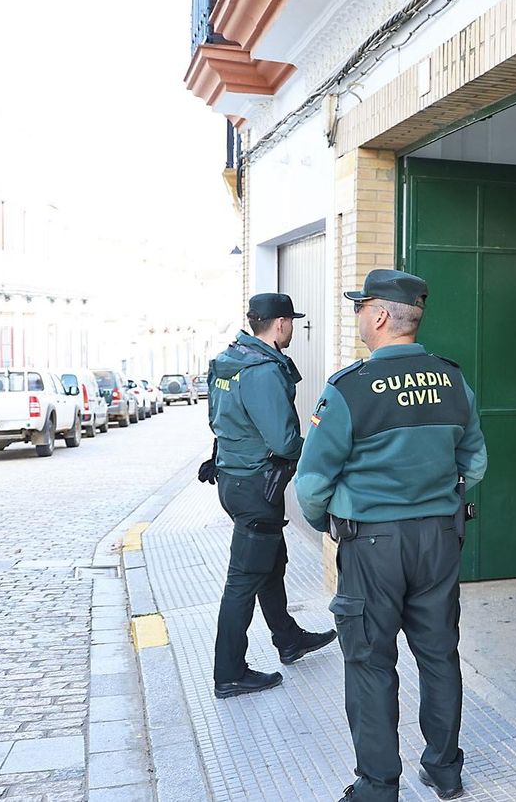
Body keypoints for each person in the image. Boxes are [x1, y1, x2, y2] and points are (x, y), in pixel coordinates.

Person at [295, 269, 487, 802]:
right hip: (439, 540)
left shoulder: (349, 389)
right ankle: (444, 771)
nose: (357, 315)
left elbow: (311, 483)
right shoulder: (452, 380)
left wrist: (330, 526)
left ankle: (378, 786)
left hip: (372, 546)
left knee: (370, 662)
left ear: (380, 316)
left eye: (360, 307)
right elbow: (474, 461)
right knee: (439, 655)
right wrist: (437, 498)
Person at [202, 292, 337, 699]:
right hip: (257, 488)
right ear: (280, 324)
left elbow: (218, 419)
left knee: (271, 564)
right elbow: (283, 441)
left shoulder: (230, 359)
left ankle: (288, 639)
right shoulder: (262, 371)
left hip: (234, 479)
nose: (292, 327)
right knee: (243, 581)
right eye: (291, 321)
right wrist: (321, 447)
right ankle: (229, 673)